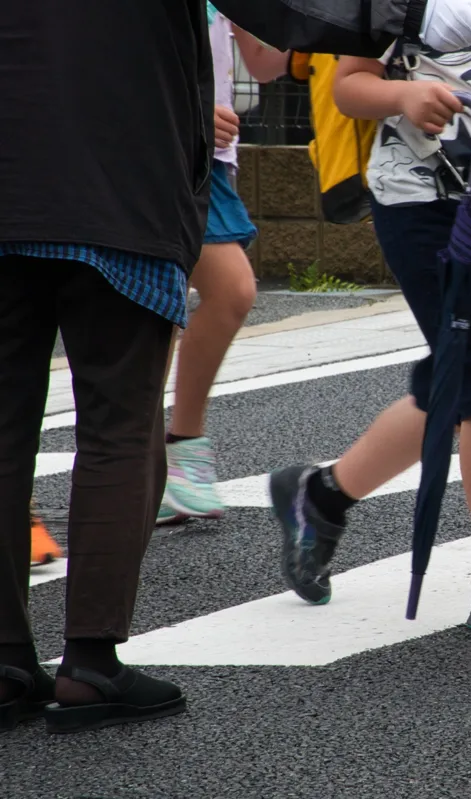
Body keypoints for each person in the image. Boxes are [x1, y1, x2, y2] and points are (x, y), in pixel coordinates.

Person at [0, 0, 471, 735]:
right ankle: (90, 662)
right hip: (120, 177)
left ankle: (9, 660)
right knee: (118, 423)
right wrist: (407, 13)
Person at [266, 0, 471, 634]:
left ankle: (323, 494)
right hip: (423, 205)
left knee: (462, 375)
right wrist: (405, 97)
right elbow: (348, 85)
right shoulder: (396, 2)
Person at [158, 6, 290, 525]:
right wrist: (189, 110)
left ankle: (172, 458)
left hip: (209, 160)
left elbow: (265, 64)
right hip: (155, 147)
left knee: (196, 298)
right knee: (199, 293)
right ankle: (154, 460)